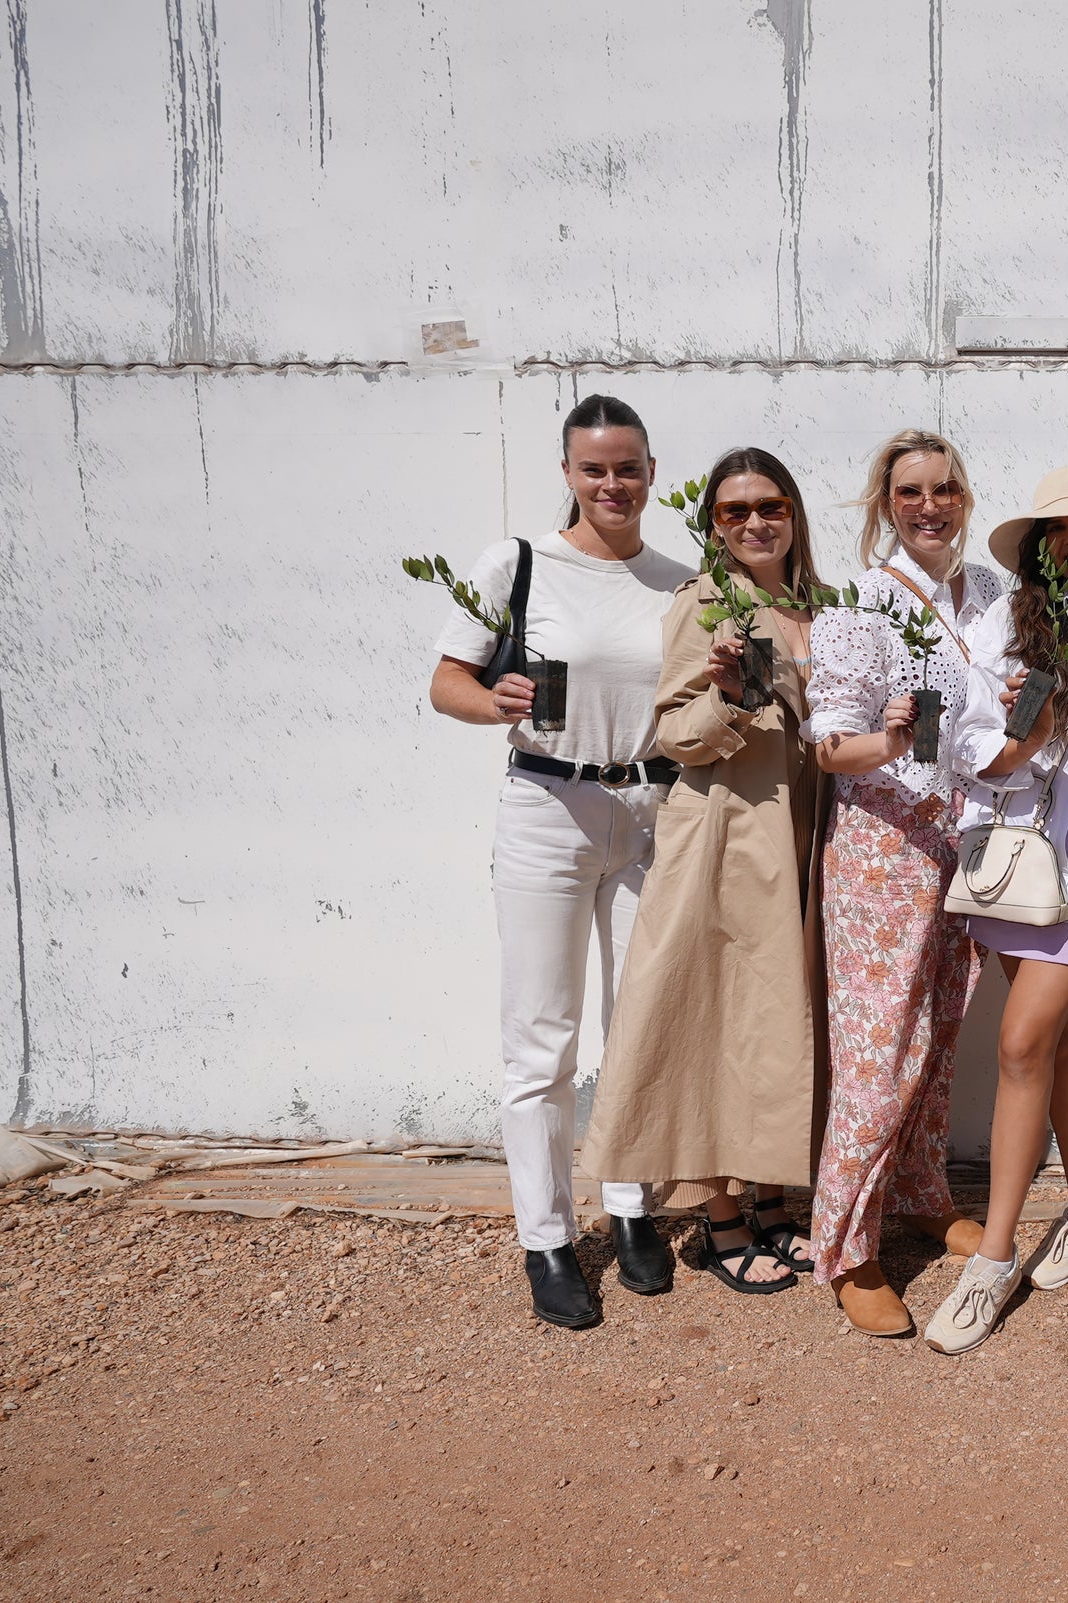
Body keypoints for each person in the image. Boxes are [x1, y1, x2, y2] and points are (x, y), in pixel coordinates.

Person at [426, 394, 695, 1330]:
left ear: (653, 472)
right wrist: (492, 698)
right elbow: (445, 682)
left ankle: (631, 1214)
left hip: (651, 807)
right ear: (569, 473)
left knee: (642, 1023)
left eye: (628, 467)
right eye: (594, 469)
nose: (612, 484)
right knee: (542, 1035)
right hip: (546, 804)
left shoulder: (681, 581)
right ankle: (545, 1237)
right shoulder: (521, 563)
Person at [921, 467, 1068, 1356]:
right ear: (1039, 547)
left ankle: (991, 1258)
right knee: (1055, 1040)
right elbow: (974, 747)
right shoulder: (1007, 625)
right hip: (1017, 864)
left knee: (1020, 1042)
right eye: (1058, 528)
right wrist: (1037, 732)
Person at [582, 447, 828, 1295]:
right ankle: (722, 1214)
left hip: (798, 835)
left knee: (774, 1021)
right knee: (719, 1017)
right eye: (734, 511)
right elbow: (677, 733)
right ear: (714, 526)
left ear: (794, 512)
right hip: (728, 836)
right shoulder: (707, 605)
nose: (755, 522)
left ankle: (770, 1197)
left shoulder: (817, 607)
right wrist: (730, 696)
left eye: (770, 505)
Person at [804, 431, 1004, 1336]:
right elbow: (830, 745)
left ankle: (921, 1192)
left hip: (958, 843)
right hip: (884, 849)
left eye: (946, 488)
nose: (930, 505)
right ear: (886, 504)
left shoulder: (987, 596)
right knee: (879, 1055)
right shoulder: (860, 606)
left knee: (941, 1032)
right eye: (912, 491)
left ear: (966, 497)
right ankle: (846, 1245)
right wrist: (888, 740)